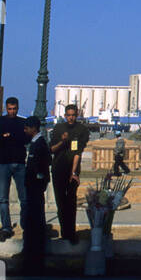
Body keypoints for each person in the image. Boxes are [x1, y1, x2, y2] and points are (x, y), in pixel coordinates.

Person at [49, 103, 91, 243]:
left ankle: (71, 233)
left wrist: (73, 173)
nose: (71, 118)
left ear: (77, 115)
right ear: (65, 116)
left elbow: (78, 153)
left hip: (72, 171)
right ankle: (64, 233)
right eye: (69, 115)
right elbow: (52, 149)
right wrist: (62, 141)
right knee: (60, 203)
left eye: (73, 115)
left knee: (71, 202)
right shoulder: (58, 128)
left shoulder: (82, 130)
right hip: (58, 169)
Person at [0, 96, 28, 240]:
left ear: (18, 108)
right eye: (9, 109)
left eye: (14, 109)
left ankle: (25, 225)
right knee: (3, 199)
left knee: (24, 198)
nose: (12, 111)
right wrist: (14, 137)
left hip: (19, 163)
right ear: (6, 108)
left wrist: (10, 136)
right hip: (3, 163)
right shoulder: (0, 121)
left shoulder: (22, 122)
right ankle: (6, 226)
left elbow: (25, 139)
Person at [20, 116, 51, 271]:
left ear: (33, 128)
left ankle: (35, 252)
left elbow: (41, 167)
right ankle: (31, 250)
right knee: (32, 218)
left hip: (35, 187)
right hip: (33, 186)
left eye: (27, 128)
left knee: (36, 219)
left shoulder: (40, 144)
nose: (25, 131)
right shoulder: (35, 143)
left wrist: (38, 182)